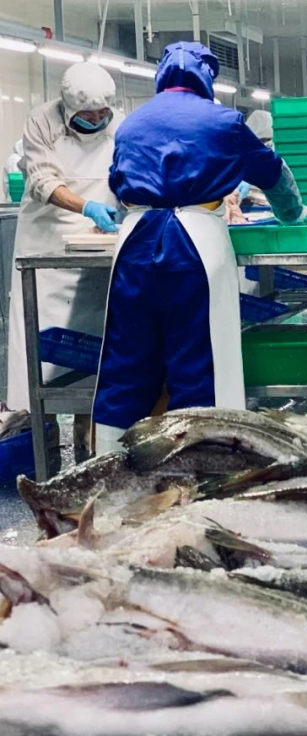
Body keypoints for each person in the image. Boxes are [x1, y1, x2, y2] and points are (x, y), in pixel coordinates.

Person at [92, 42, 307, 453]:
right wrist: (294, 214)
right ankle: (202, 468)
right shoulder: (224, 121)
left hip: (134, 244)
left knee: (126, 361)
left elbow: (118, 185)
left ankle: (108, 466)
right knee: (199, 363)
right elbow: (273, 174)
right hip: (194, 245)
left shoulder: (131, 124)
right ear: (207, 76)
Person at [6, 63, 122, 461]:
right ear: (68, 107)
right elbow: (42, 181)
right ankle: (47, 442)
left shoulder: (120, 124)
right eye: (87, 115)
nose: (96, 120)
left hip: (98, 246)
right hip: (46, 242)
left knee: (92, 349)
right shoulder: (42, 121)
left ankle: (88, 444)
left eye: (102, 114)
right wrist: (87, 206)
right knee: (43, 354)